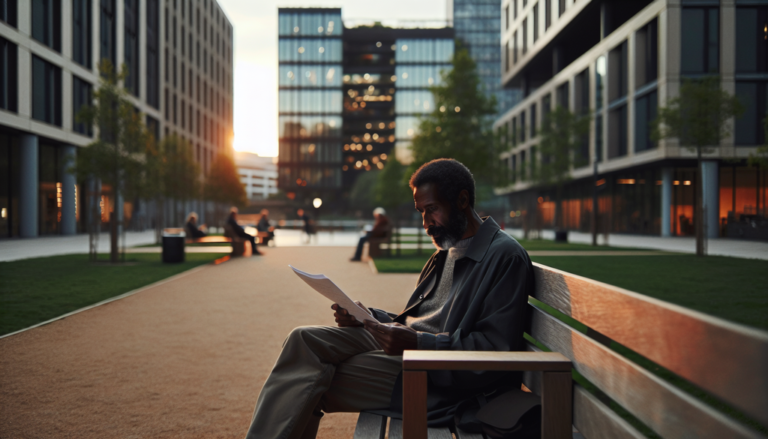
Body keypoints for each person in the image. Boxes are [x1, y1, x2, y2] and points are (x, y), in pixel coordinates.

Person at [244, 159, 534, 439]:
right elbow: (416, 321)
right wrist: (368, 318)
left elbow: (495, 351)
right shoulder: (445, 252)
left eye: (431, 209)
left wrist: (418, 343)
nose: (425, 223)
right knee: (302, 339)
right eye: (421, 211)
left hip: (436, 376)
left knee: (303, 380)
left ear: (461, 200)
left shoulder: (504, 257)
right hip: (414, 350)